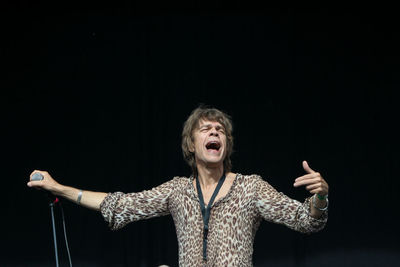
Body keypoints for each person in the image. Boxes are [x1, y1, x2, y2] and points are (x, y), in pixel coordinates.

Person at [27, 106, 329, 266]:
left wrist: (320, 197)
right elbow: (121, 205)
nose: (215, 132)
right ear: (191, 145)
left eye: (220, 130)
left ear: (227, 144)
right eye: (206, 129)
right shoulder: (178, 191)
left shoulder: (251, 188)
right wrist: (59, 188)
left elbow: (307, 220)